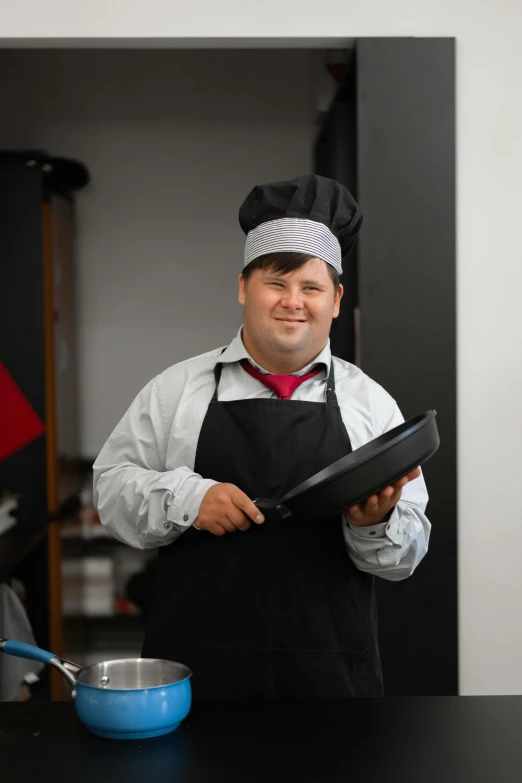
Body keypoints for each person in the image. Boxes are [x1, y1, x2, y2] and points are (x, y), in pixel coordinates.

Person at [93, 174, 430, 700]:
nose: (292, 302)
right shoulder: (174, 391)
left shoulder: (370, 404)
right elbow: (110, 492)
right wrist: (189, 497)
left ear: (336, 300)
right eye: (276, 282)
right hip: (197, 676)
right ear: (243, 287)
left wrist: (376, 522)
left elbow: (405, 556)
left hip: (332, 677)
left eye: (311, 287)